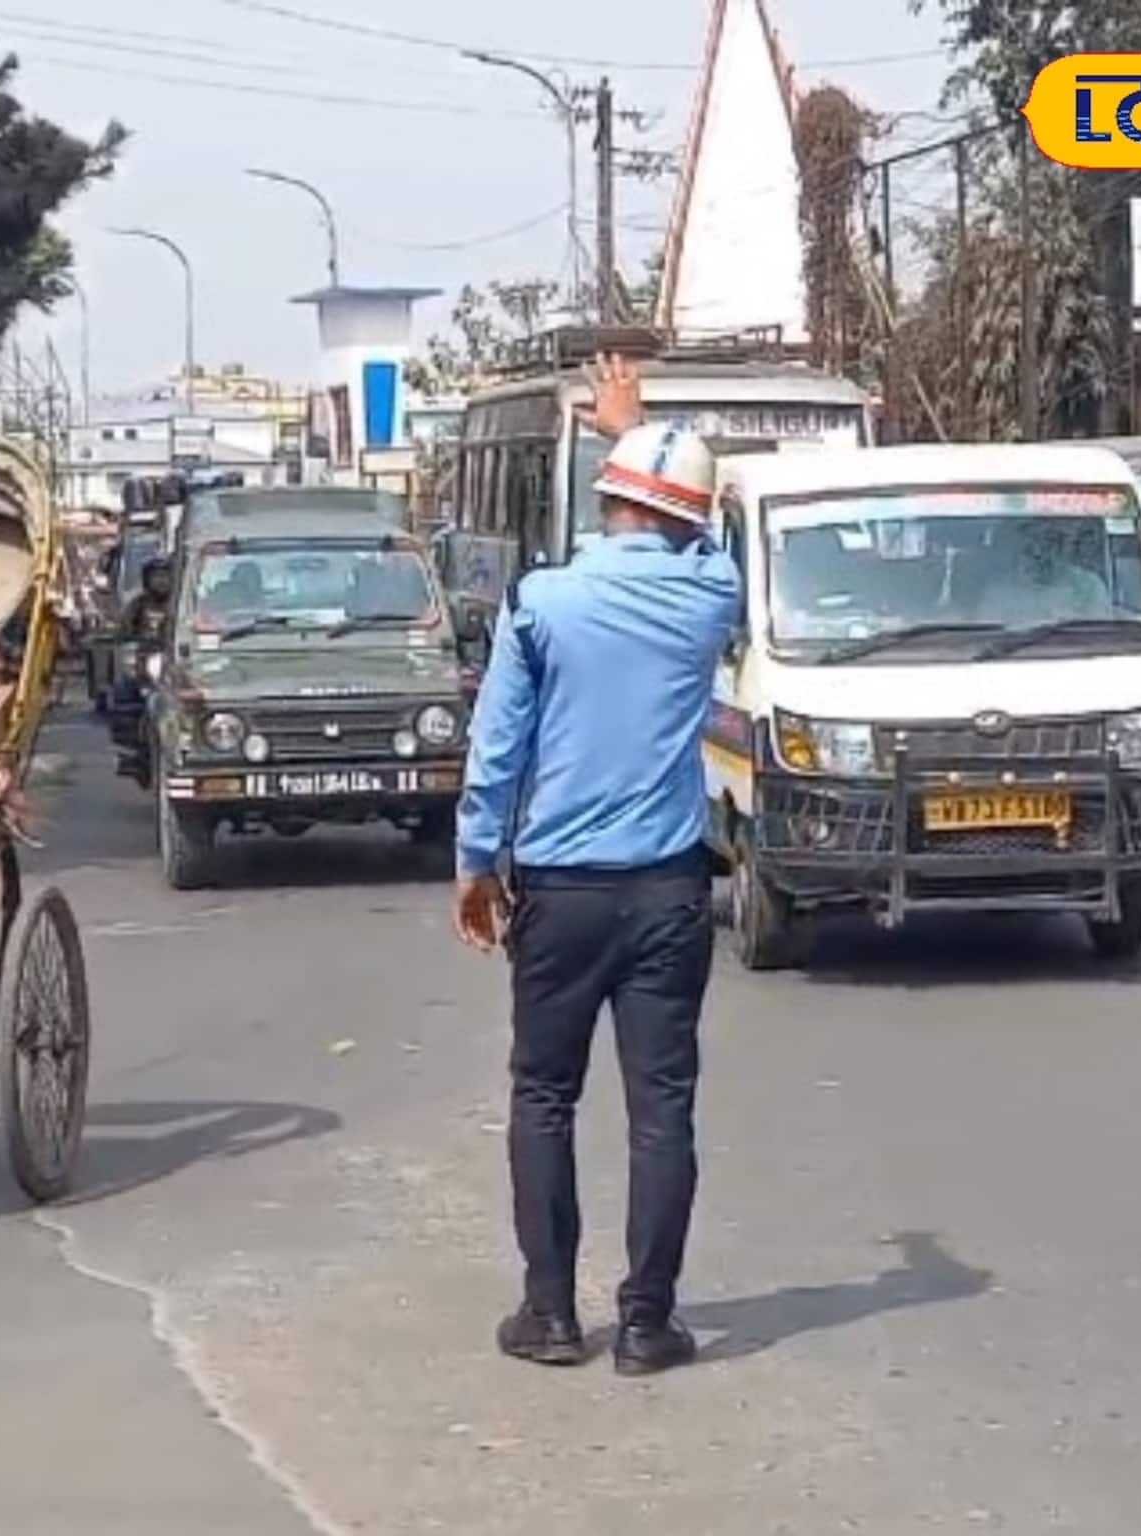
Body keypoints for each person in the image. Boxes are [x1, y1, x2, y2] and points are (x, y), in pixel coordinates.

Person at [454, 356, 741, 1378]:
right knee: (661, 1107)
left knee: (543, 1096)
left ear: (607, 497)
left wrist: (476, 865)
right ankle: (645, 1322)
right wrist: (639, 431)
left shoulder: (542, 603)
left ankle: (548, 1314)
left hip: (560, 893)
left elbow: (497, 752)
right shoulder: (710, 597)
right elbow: (699, 531)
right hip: (667, 889)